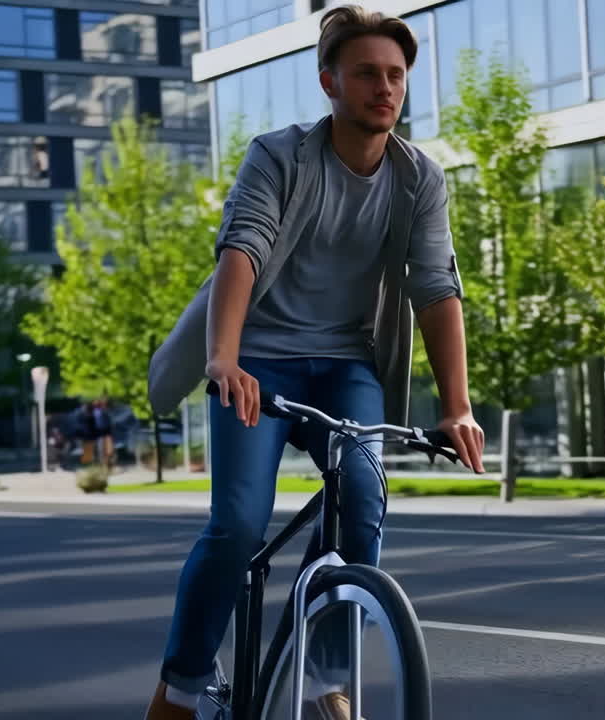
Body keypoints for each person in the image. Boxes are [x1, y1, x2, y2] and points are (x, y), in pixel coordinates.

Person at [143, 6, 486, 719]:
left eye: (395, 75)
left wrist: (457, 404)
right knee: (239, 523)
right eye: (365, 73)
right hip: (256, 362)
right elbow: (243, 250)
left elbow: (436, 287)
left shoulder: (419, 177)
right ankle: (183, 682)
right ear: (330, 81)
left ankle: (321, 672)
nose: (383, 88)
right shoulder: (279, 156)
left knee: (362, 501)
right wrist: (224, 358)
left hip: (344, 365)